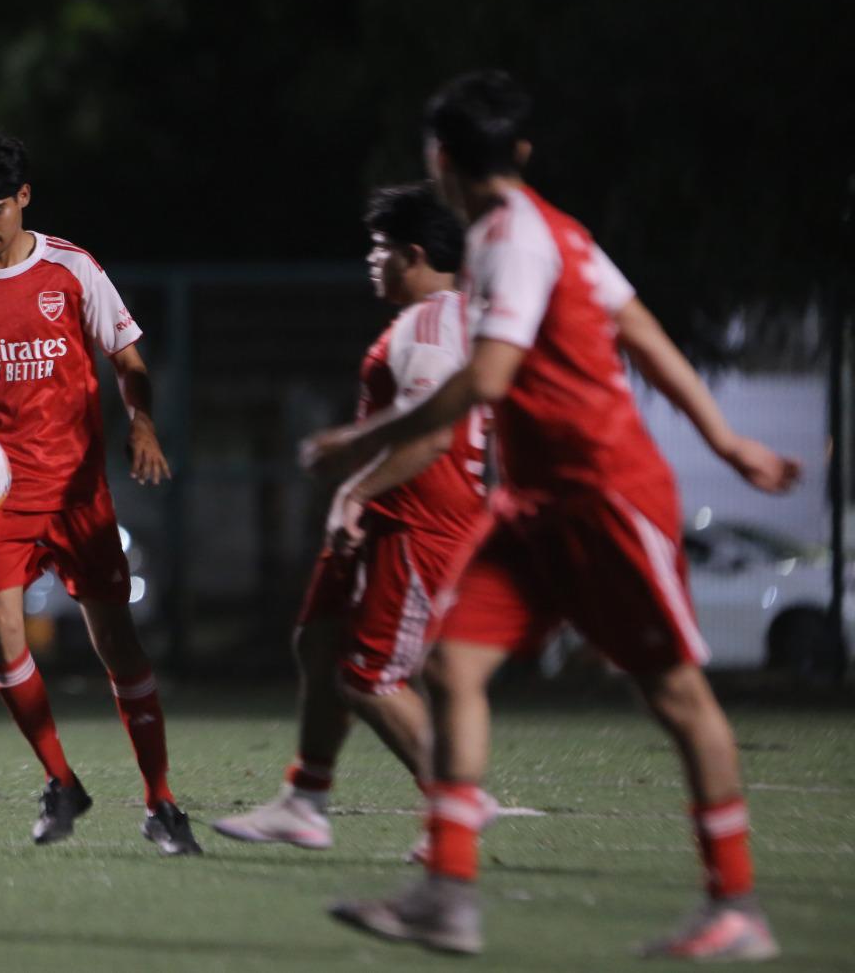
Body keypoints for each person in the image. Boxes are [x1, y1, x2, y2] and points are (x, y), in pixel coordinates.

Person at [317, 71, 798, 959]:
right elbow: (644, 332)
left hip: (606, 495)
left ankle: (737, 905)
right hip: (532, 504)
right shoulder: (558, 233)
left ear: (440, 160)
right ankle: (448, 897)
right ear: (523, 152)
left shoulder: (515, 241)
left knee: (677, 698)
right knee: (452, 669)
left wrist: (361, 440)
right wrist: (725, 441)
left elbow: (487, 381)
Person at [0, 131, 200, 854]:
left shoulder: (71, 269)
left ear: (24, 198)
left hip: (74, 490)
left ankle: (161, 803)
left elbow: (127, 356)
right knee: (1, 636)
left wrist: (143, 423)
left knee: (116, 642)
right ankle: (62, 781)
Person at [214, 183, 492, 856]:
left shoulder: (431, 326)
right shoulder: (439, 319)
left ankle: (456, 804)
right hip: (392, 513)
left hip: (418, 522)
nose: (371, 260)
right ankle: (305, 802)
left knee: (369, 675)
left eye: (380, 248)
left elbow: (430, 442)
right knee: (319, 641)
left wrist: (353, 492)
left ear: (415, 254)